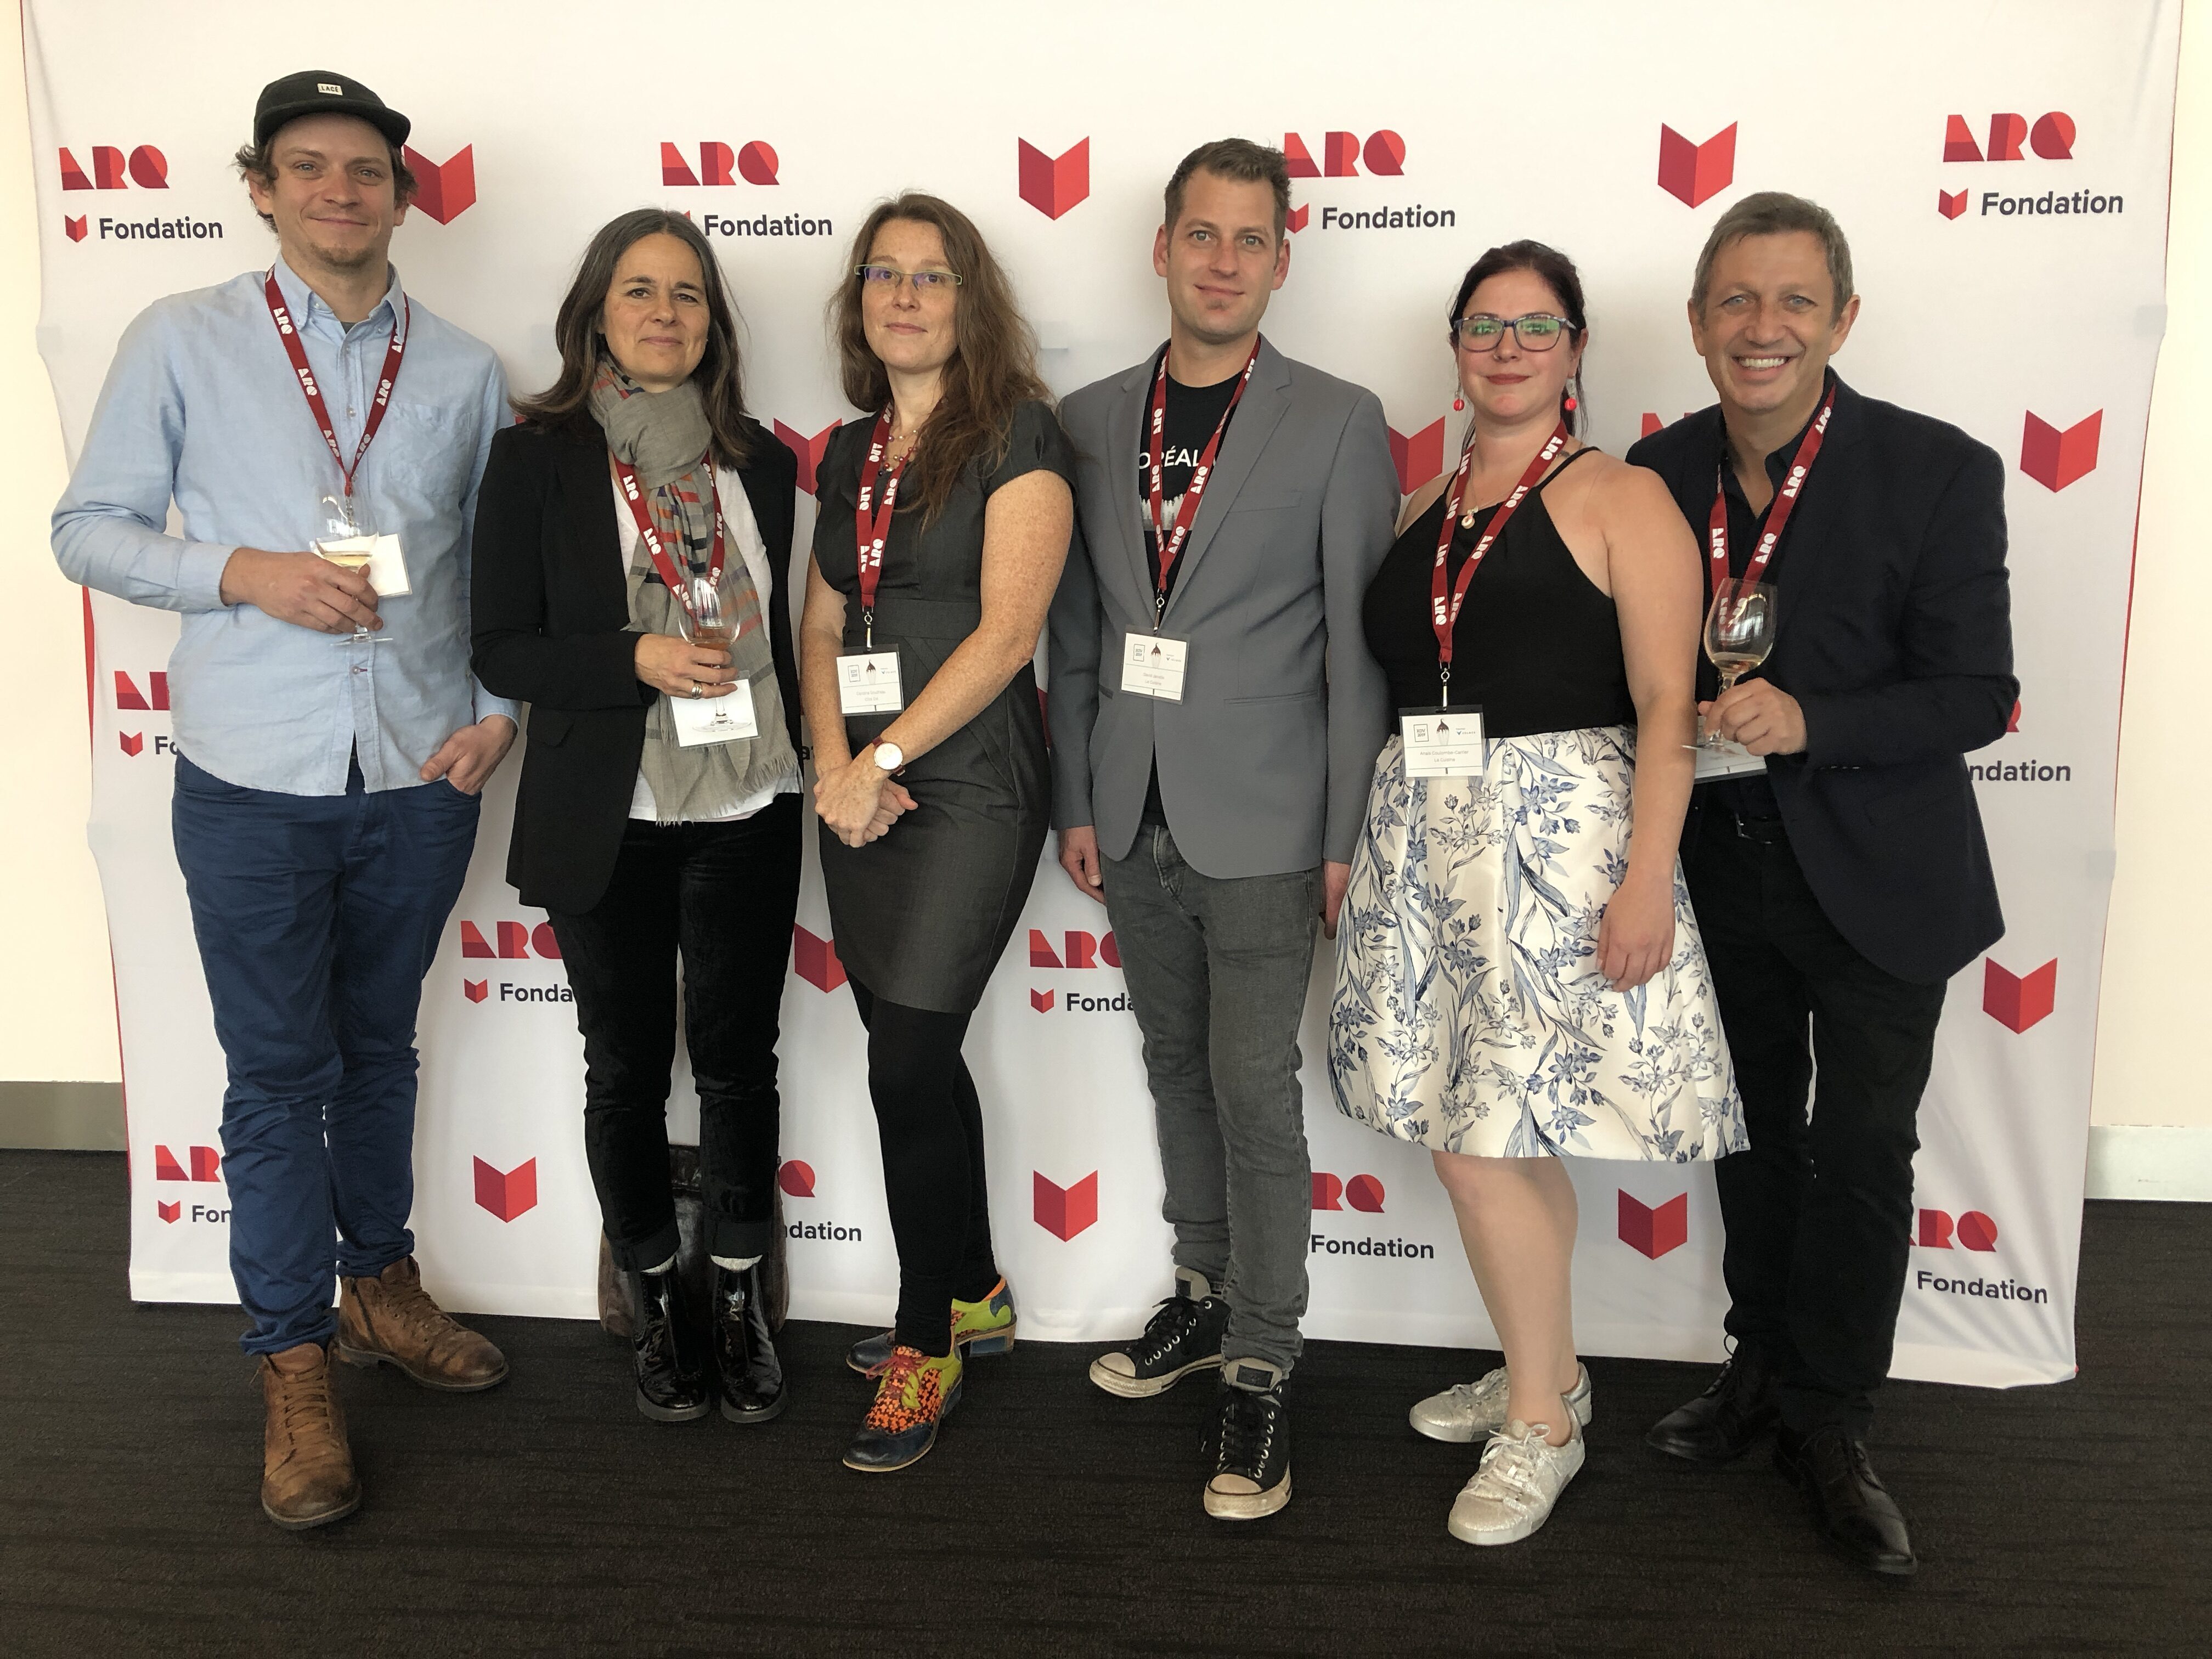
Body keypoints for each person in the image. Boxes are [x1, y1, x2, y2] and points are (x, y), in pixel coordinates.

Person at [51, 71, 515, 1531]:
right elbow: (86, 531)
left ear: (401, 191)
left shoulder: (463, 368)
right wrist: (239, 572)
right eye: (307, 168)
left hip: (420, 778)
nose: (338, 191)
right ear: (261, 187)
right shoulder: (182, 339)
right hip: (252, 783)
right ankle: (291, 1361)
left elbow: (504, 576)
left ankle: (378, 1282)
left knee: (381, 1050)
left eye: (365, 169)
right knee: (274, 1081)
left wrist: (497, 718)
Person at [1328, 241, 1745, 1547]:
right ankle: (1543, 1370)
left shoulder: (1622, 497)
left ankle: (1546, 1429)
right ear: (1455, 345)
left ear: (1576, 352)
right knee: (1487, 1128)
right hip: (1428, 848)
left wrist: (1646, 883)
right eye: (1485, 325)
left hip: (1561, 854)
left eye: (1538, 326)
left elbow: (1673, 707)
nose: (1508, 347)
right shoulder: (1420, 508)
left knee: (1482, 1138)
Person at [1629, 193, 2013, 1579]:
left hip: (1882, 879)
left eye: (1795, 301)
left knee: (1861, 1156)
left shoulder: (1937, 471)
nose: (1764, 327)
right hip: (1715, 872)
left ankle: (1834, 1420)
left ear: (1842, 320)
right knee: (1746, 1134)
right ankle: (1761, 1366)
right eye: (1736, 300)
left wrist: (1813, 722)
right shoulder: (1653, 470)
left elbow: (1980, 692)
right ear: (1695, 322)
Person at [1047, 138, 1398, 1521]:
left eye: (1251, 240)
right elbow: (1075, 633)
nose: (1223, 260)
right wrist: (1076, 795)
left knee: (1255, 1092)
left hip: (1266, 815)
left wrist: (1342, 828)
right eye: (1201, 234)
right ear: (1163, 248)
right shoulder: (1083, 419)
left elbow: (1359, 652)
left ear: (1282, 260)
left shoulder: (1339, 418)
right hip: (1129, 807)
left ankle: (1265, 1362)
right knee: (1175, 1066)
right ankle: (1200, 1293)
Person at [471, 210, 803, 1428]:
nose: (665, 314)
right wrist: (637, 657)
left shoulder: (757, 460)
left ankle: (737, 1294)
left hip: (752, 801)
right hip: (605, 812)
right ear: (595, 316)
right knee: (622, 1070)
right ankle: (656, 1297)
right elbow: (500, 644)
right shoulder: (539, 458)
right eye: (638, 292)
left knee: (736, 1066)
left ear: (714, 321)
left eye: (688, 295)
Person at [801, 194, 1074, 1474]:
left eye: (933, 276)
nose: (905, 297)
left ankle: (927, 1340)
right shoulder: (847, 450)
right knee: (906, 1049)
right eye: (884, 275)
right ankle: (975, 1289)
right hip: (862, 785)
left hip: (968, 784)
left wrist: (886, 757)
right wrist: (832, 765)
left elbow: (1008, 633)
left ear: (973, 300)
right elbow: (817, 625)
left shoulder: (1018, 432)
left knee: (908, 1054)